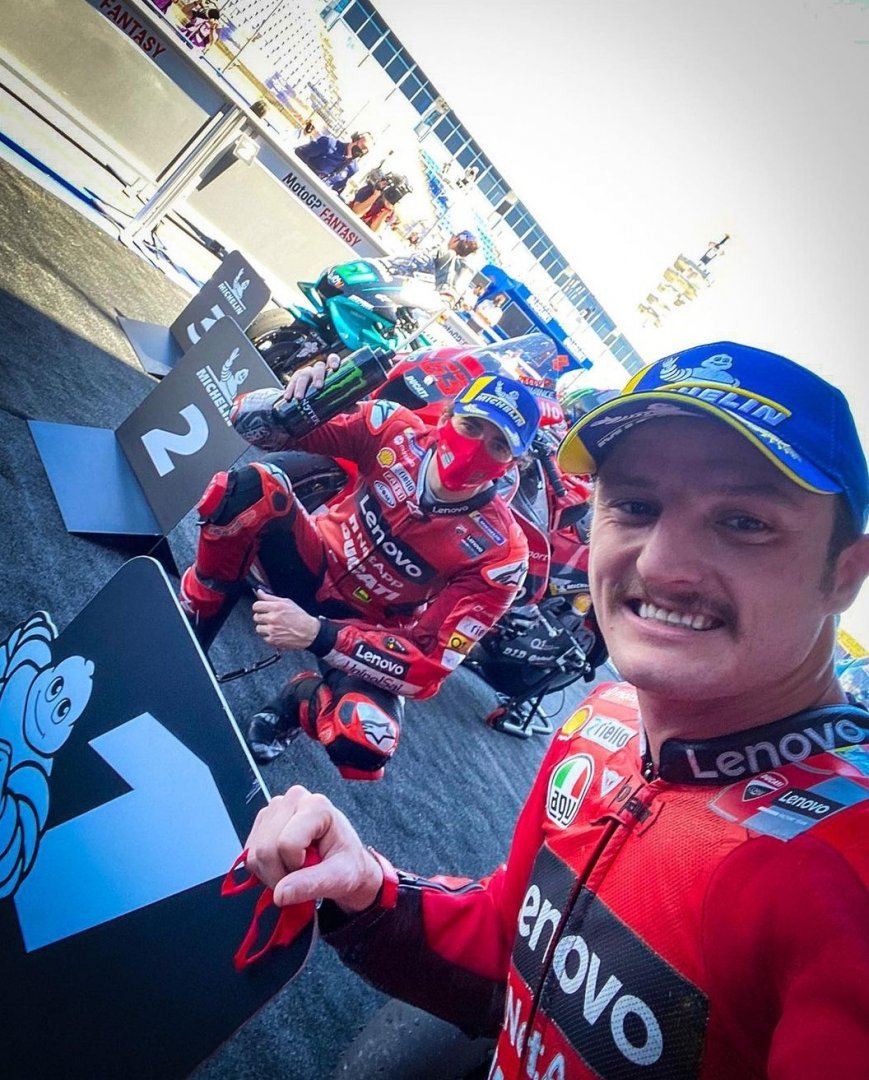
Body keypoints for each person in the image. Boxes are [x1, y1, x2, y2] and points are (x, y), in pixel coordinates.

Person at [242, 341, 869, 1077]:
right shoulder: (604, 722)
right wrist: (367, 888)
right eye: (634, 505)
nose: (660, 564)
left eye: (743, 522)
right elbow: (509, 944)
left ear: (845, 573)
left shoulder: (847, 868)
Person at [180, 360, 541, 779]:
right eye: (471, 426)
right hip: (310, 560)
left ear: (512, 464)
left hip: (368, 625)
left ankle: (298, 702)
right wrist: (297, 399)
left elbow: (429, 666)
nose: (477, 447)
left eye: (499, 445)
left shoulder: (502, 554)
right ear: (446, 418)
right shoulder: (393, 429)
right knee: (245, 488)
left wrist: (319, 635)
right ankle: (189, 627)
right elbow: (250, 423)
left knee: (368, 741)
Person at [294, 131, 372, 194]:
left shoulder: (353, 169)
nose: (362, 151)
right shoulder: (328, 143)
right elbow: (299, 153)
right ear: (355, 138)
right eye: (363, 146)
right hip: (298, 181)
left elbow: (337, 190)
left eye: (365, 151)